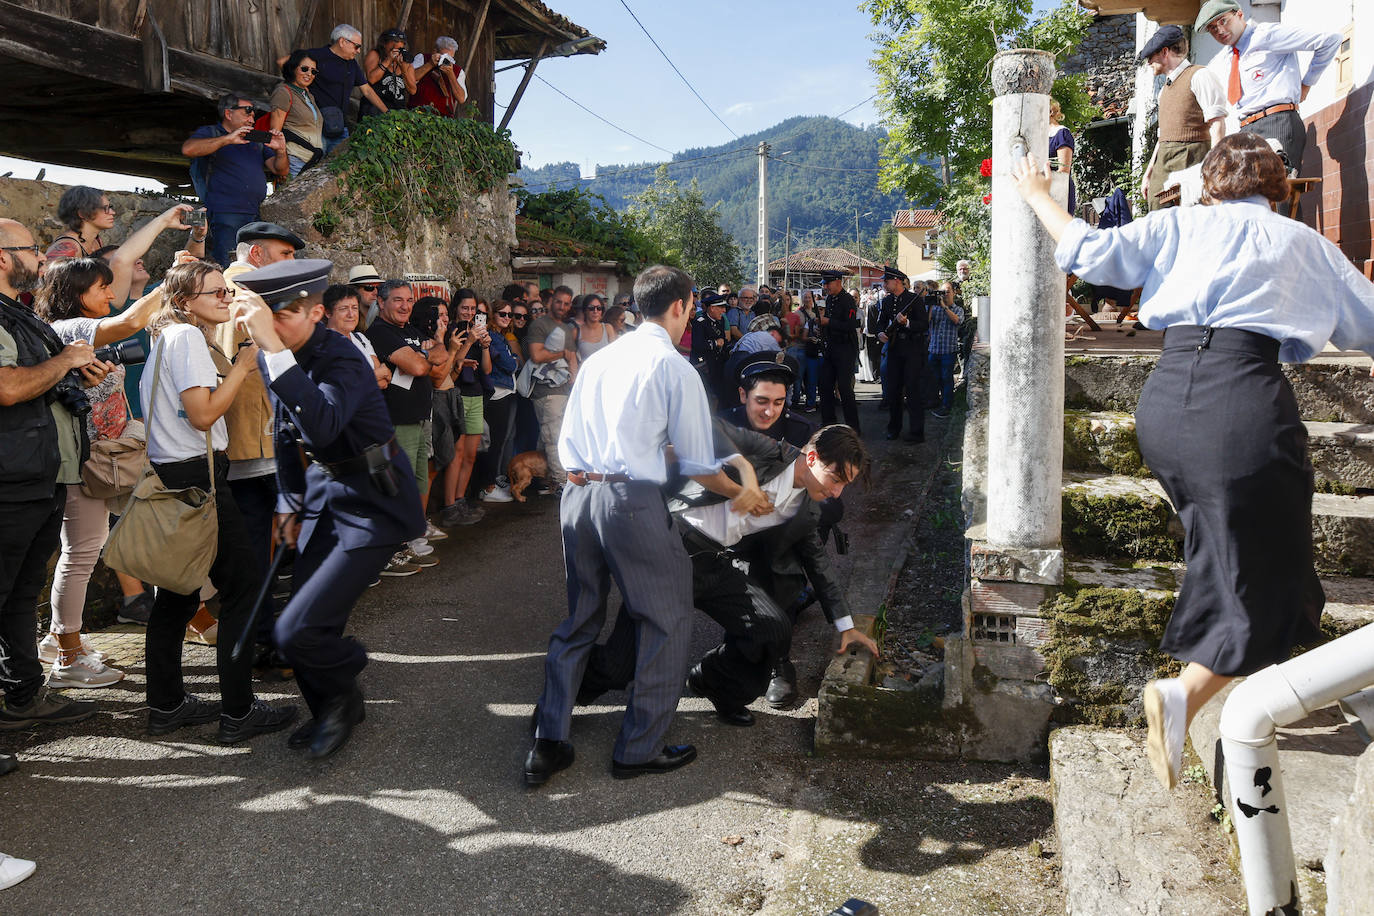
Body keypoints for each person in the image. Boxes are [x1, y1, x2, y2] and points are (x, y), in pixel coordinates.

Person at [1011, 133, 1374, 791]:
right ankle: (1187, 695)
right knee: (1257, 557)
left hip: (1166, 401)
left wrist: (1039, 193)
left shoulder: (1179, 223)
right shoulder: (1300, 244)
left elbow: (1088, 251)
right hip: (1241, 403)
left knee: (1262, 551)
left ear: (1207, 185)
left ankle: (1321, 683)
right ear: (1281, 191)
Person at [526, 264, 770, 788]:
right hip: (628, 499)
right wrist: (743, 492)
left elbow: (590, 432)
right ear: (681, 305)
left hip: (577, 493)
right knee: (666, 615)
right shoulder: (673, 364)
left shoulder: (601, 359)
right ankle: (637, 747)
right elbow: (697, 462)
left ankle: (548, 739)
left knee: (580, 618)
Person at [232, 259, 425, 757]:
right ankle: (334, 708)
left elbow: (322, 426)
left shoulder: (341, 358)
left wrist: (273, 349)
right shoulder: (274, 355)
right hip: (324, 492)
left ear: (314, 312)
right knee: (313, 619)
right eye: (263, 317)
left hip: (373, 499)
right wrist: (289, 500)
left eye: (280, 317)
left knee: (297, 631)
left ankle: (349, 671)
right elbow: (285, 429)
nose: (268, 329)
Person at [579, 421, 879, 725]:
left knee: (772, 627)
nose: (837, 492)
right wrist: (741, 476)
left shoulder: (809, 509)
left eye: (845, 485)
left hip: (714, 560)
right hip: (671, 545)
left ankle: (713, 681)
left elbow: (819, 563)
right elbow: (708, 426)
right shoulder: (767, 451)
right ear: (812, 458)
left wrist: (846, 625)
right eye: (836, 478)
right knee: (619, 666)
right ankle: (564, 697)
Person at [139, 259, 298, 742]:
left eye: (227, 293)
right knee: (244, 589)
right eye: (216, 294)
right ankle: (238, 711)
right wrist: (245, 366)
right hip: (200, 474)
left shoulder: (170, 338)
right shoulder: (187, 339)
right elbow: (203, 415)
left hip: (175, 472)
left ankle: (166, 705)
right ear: (186, 302)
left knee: (178, 592)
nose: (227, 300)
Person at [35, 257, 166, 687]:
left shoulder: (68, 333)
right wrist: (175, 281)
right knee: (81, 553)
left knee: (84, 550)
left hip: (102, 457)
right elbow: (130, 322)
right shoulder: (70, 329)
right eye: (102, 287)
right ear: (76, 293)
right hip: (84, 462)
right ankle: (68, 658)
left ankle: (60, 640)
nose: (110, 294)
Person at [0, 218, 100, 731]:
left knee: (20, 594)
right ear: (2, 258)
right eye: (31, 250)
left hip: (38, 477)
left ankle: (22, 697)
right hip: (10, 482)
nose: (41, 258)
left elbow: (41, 378)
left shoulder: (17, 315)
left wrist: (73, 368)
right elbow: (8, 388)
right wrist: (64, 361)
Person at [1197, 0, 1340, 176]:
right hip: (1247, 129)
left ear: (1239, 14)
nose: (1219, 30)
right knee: (1252, 197)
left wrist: (1307, 84)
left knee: (1278, 193)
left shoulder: (1266, 35)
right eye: (1212, 28)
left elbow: (1330, 41)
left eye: (1223, 21)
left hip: (1277, 122)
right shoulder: (1228, 57)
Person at [364, 279, 453, 541]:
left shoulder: (411, 331)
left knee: (419, 480)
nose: (405, 306)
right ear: (381, 302)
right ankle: (400, 539)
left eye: (409, 300)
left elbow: (441, 361)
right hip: (396, 420)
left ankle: (415, 530)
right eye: (398, 300)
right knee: (399, 483)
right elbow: (418, 368)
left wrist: (423, 355)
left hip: (419, 417)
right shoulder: (380, 332)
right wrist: (425, 357)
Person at [181, 93, 289, 267]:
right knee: (230, 265)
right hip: (225, 213)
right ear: (228, 113)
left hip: (254, 213)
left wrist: (281, 151)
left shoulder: (256, 141)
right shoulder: (213, 133)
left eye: (254, 113)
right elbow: (188, 149)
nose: (252, 117)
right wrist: (228, 139)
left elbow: (281, 169)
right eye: (247, 111)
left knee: (253, 266)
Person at [1138, 26, 1227, 211]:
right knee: (1158, 217)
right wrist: (1149, 173)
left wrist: (1216, 168)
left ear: (1165, 52)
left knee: (1189, 218)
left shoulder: (1200, 76)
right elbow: (1162, 137)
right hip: (1164, 159)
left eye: (1150, 57)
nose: (1149, 63)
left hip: (1191, 156)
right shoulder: (1164, 91)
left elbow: (1217, 124)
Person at [436, 289, 488, 528]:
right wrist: (468, 342)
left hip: (476, 395)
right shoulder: (451, 331)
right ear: (456, 307)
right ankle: (449, 506)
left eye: (473, 309)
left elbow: (486, 370)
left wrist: (484, 345)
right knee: (456, 455)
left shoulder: (477, 330)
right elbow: (451, 368)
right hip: (457, 395)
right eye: (465, 308)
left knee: (470, 455)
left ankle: (460, 500)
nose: (469, 312)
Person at [299, 24, 392, 153]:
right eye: (357, 46)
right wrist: (301, 88)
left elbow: (367, 90)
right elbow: (284, 63)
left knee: (338, 165)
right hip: (316, 126)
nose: (358, 51)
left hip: (340, 125)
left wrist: (387, 112)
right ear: (342, 41)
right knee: (314, 165)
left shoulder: (352, 64)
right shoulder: (316, 56)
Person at [525, 285, 579, 495]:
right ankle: (561, 483)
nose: (562, 306)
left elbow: (572, 357)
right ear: (551, 302)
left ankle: (546, 481)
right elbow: (537, 356)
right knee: (553, 438)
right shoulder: (540, 325)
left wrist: (574, 385)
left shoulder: (565, 328)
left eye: (567, 303)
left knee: (549, 437)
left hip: (563, 390)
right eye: (559, 302)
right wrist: (561, 354)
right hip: (546, 391)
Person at [476, 298, 520, 503]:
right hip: (496, 395)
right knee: (494, 443)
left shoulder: (500, 337)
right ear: (492, 315)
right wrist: (514, 360)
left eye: (509, 314)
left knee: (498, 441)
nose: (507, 318)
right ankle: (488, 487)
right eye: (502, 314)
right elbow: (511, 365)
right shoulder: (493, 337)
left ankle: (490, 483)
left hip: (502, 394)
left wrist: (512, 360)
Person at [876, 266, 926, 442]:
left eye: (886, 281)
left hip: (912, 349)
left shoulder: (914, 299)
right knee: (893, 391)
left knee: (913, 392)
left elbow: (923, 325)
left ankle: (916, 432)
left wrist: (907, 323)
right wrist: (880, 333)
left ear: (896, 281)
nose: (884, 284)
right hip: (894, 349)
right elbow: (880, 323)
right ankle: (894, 428)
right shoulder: (887, 301)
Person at [817, 270, 861, 433]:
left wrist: (828, 322)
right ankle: (828, 424)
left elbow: (850, 325)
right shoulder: (830, 299)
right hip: (831, 347)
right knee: (824, 385)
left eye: (828, 283)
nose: (825, 286)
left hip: (845, 348)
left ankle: (853, 427)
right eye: (824, 283)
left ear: (838, 282)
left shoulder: (847, 300)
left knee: (844, 388)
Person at [323, 284, 390, 389]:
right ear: (328, 313)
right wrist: (376, 375)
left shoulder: (360, 338)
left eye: (354, 308)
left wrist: (360, 381)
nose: (351, 314)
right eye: (344, 308)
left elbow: (384, 382)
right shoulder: (322, 344)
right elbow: (342, 387)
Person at [270, 51, 326, 177]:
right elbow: (275, 133)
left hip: (313, 161)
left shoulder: (307, 94)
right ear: (293, 67)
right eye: (304, 69)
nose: (309, 74)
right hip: (295, 161)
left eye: (314, 71)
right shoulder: (283, 92)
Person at [45, 186, 115, 261]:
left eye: (110, 207)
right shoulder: (69, 246)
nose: (113, 212)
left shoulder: (96, 240)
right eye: (105, 208)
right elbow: (46, 271)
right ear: (82, 213)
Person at [927, 280, 964, 419]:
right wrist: (931, 304)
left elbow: (957, 321)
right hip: (934, 349)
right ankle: (938, 402)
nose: (945, 294)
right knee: (935, 379)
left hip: (948, 351)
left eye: (948, 291)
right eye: (943, 292)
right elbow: (927, 321)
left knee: (947, 379)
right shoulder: (935, 308)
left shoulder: (958, 309)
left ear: (954, 293)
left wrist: (943, 306)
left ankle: (947, 406)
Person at [361, 28, 416, 118]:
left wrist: (404, 69)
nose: (397, 52)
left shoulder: (406, 62)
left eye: (400, 49)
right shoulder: (375, 55)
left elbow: (412, 90)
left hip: (397, 112)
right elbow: (371, 79)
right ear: (384, 44)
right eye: (393, 49)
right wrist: (388, 60)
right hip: (374, 110)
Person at [410, 36, 468, 117]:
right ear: (435, 51)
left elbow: (461, 98)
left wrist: (451, 74)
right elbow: (409, 80)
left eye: (450, 58)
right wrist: (430, 64)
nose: (446, 60)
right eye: (443, 56)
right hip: (417, 116)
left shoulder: (458, 71)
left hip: (443, 120)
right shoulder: (422, 58)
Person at [690, 292, 729, 402]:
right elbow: (698, 345)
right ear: (712, 308)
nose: (724, 311)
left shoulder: (720, 321)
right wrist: (716, 343)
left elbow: (723, 340)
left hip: (717, 364)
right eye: (721, 307)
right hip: (704, 365)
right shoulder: (700, 323)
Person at [1048, 100, 1076, 215]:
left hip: (1058, 191)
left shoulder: (1061, 133)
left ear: (1050, 111)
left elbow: (1063, 170)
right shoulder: (1037, 136)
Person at [574, 294, 615, 361]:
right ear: (585, 310)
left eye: (599, 308)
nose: (595, 311)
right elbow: (571, 359)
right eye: (591, 308)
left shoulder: (608, 328)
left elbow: (613, 355)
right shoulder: (576, 331)